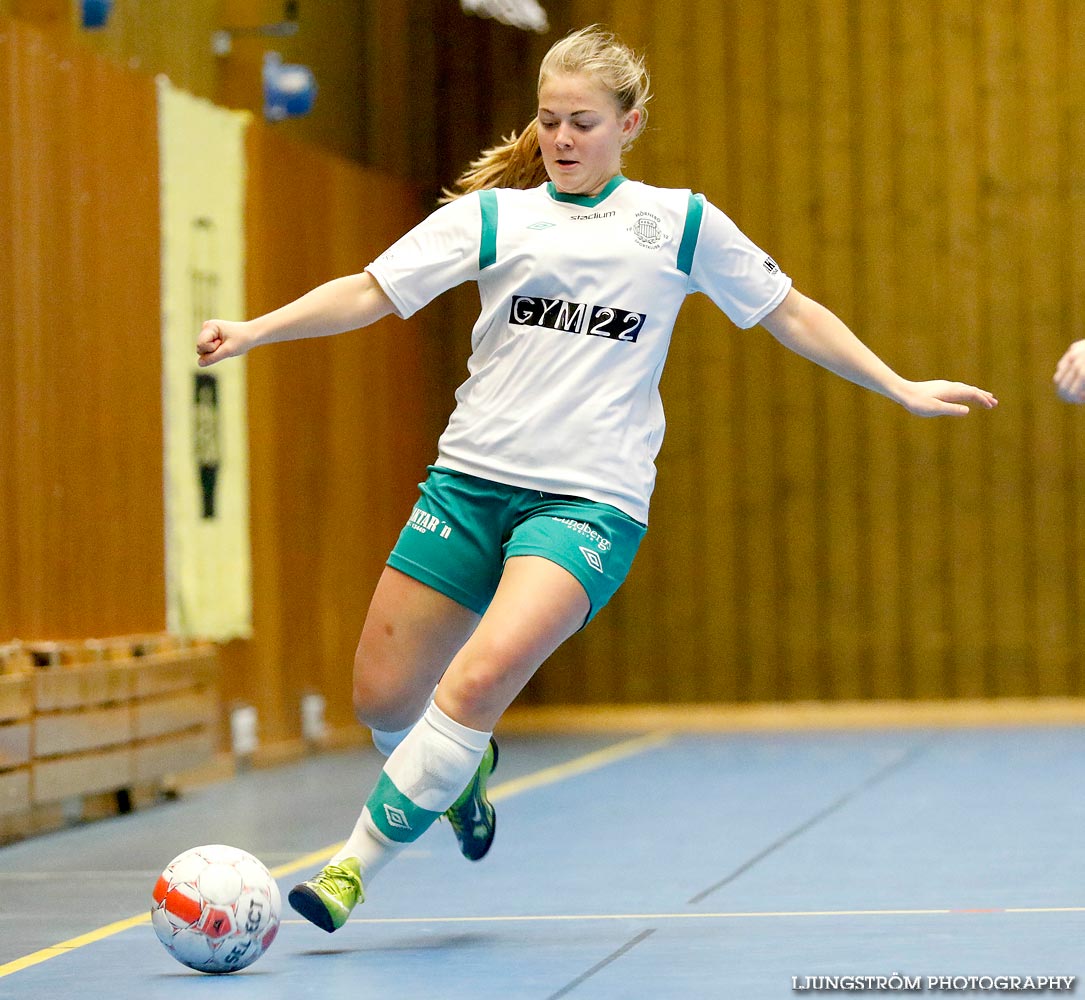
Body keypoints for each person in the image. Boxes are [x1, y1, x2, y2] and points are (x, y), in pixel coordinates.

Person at [195, 25, 998, 933]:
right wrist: (255, 330)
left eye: (582, 122)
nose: (563, 140)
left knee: (475, 681)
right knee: (383, 698)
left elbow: (789, 311)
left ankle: (349, 870)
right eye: (548, 122)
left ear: (629, 124)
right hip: (466, 487)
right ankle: (463, 773)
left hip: (587, 505)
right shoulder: (495, 218)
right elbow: (370, 290)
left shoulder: (680, 223)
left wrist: (895, 383)